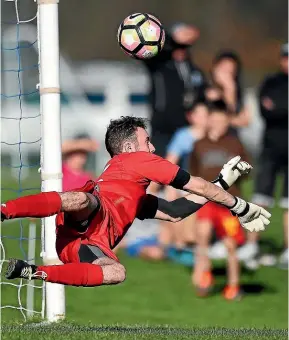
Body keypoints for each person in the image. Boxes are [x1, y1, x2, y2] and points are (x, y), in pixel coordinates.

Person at [1, 116, 270, 288]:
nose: (152, 148)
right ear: (130, 148)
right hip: (93, 211)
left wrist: (221, 183)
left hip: (79, 246)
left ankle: (34, 272)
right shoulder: (139, 160)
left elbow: (176, 211)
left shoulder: (134, 196)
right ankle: (5, 211)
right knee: (81, 198)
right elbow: (196, 185)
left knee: (117, 272)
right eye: (147, 141)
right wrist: (240, 207)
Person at [190, 100, 251, 300]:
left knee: (231, 245)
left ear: (228, 122)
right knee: (203, 236)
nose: (219, 124)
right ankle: (205, 275)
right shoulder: (199, 145)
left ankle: (233, 286)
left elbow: (247, 172)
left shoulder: (235, 144)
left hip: (228, 203)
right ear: (208, 121)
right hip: (206, 202)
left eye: (223, 120)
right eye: (215, 120)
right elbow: (193, 175)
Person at [240, 43, 288, 267]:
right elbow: (265, 110)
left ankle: (288, 250)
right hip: (270, 148)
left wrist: (278, 108)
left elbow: (275, 108)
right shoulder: (271, 82)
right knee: (260, 198)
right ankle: (251, 245)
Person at [143, 23, 207, 157]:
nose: (180, 51)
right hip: (162, 125)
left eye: (185, 47)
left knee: (183, 170)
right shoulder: (159, 65)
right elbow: (150, 47)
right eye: (176, 47)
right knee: (160, 166)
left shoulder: (193, 70)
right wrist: (172, 36)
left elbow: (201, 93)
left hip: (185, 126)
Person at [209, 50, 251, 132]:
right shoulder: (208, 91)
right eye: (223, 70)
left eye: (230, 72)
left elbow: (244, 121)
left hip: (231, 138)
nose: (225, 76)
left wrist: (230, 90)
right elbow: (209, 120)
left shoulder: (238, 93)